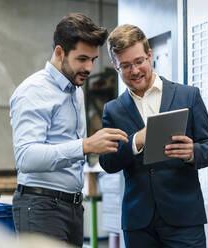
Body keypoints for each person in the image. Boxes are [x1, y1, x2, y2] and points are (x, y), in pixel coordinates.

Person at [9, 13, 128, 247]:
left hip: (71, 207)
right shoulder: (34, 91)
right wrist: (86, 145)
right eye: (82, 58)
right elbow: (25, 157)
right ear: (59, 52)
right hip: (40, 208)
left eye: (93, 59)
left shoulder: (75, 90)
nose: (89, 68)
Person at [99, 24, 208, 248]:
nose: (134, 71)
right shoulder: (113, 110)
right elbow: (107, 162)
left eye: (138, 62)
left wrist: (192, 152)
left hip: (184, 219)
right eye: (125, 66)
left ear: (149, 55)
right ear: (115, 66)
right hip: (138, 224)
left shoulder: (188, 96)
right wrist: (136, 140)